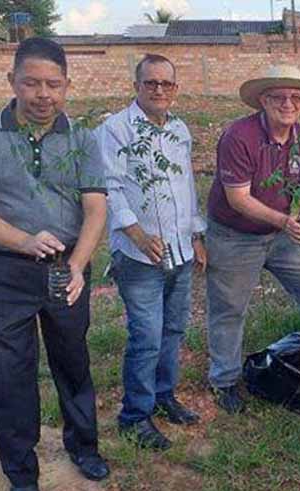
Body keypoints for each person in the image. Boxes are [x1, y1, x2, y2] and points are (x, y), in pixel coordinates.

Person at [0, 38, 109, 491]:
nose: (43, 94)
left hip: (66, 269)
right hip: (4, 271)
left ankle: (83, 446)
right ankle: (22, 474)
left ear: (67, 86)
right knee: (8, 374)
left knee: (73, 363)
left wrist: (80, 265)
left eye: (53, 84)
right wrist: (23, 241)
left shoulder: (81, 138)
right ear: (12, 82)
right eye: (32, 83)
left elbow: (96, 209)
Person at [205, 65, 300, 413]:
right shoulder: (239, 136)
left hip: (279, 231)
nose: (288, 103)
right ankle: (224, 381)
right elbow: (239, 199)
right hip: (234, 234)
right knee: (229, 309)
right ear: (263, 101)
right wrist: (286, 221)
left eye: (295, 97)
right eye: (278, 97)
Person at [96, 54, 206, 450]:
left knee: (173, 330)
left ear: (175, 89)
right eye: (151, 83)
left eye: (167, 84)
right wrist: (138, 234)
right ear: (136, 85)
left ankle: (164, 396)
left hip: (179, 251)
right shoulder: (115, 129)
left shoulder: (180, 130)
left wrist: (195, 234)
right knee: (145, 336)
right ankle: (135, 416)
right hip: (140, 255)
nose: (159, 90)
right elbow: (111, 187)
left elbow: (186, 187)